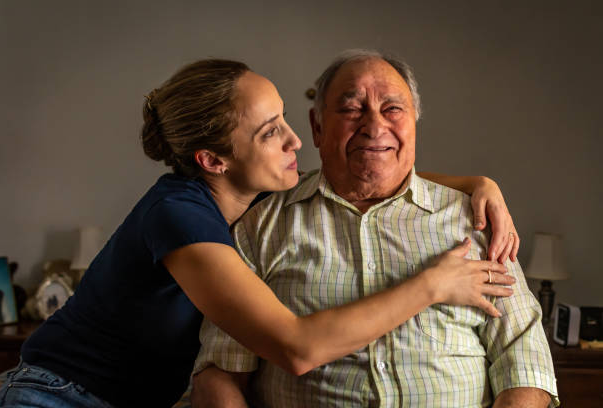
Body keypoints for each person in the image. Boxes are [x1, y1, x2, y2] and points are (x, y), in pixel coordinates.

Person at [0, 59, 516, 408]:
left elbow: (372, 168)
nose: (294, 140)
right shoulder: (178, 214)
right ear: (213, 160)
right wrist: (434, 285)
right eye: (270, 132)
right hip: (61, 396)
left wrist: (477, 184)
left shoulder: (253, 197)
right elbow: (297, 347)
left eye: (285, 119)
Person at [192, 50, 559, 408]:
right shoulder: (261, 228)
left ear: (413, 123)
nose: (374, 126)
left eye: (393, 109)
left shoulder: (475, 220)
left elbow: (525, 364)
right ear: (318, 127)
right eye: (352, 109)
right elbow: (220, 372)